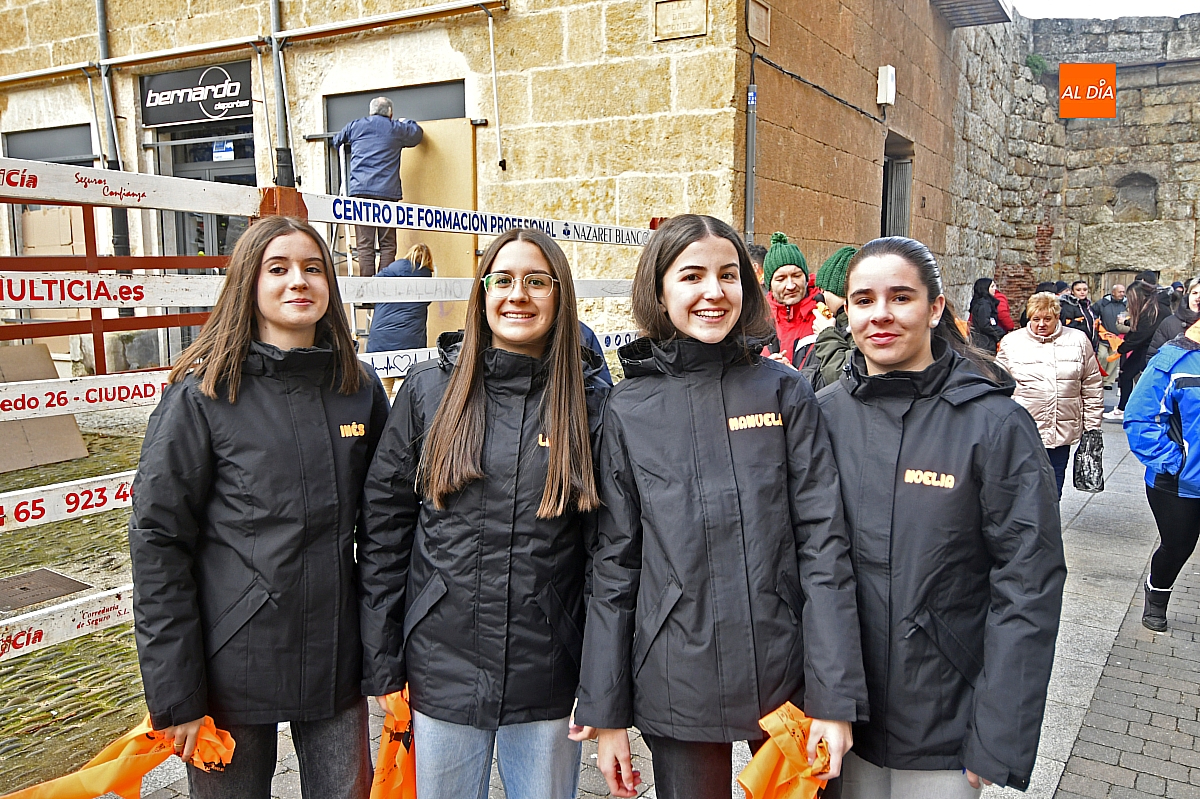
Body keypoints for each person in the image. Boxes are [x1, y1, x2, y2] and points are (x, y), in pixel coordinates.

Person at [575, 214, 867, 799]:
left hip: (787, 669)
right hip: (677, 674)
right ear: (659, 290)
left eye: (728, 275)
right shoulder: (628, 408)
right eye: (692, 276)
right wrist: (605, 714)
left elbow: (824, 545)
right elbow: (614, 563)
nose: (714, 291)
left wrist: (835, 698)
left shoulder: (783, 390)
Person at [129, 216, 391, 799]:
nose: (298, 281)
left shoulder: (358, 388)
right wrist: (178, 694)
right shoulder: (202, 395)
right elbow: (159, 544)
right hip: (231, 662)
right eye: (279, 268)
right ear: (249, 282)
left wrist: (383, 657)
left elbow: (385, 530)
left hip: (336, 658)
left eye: (313, 268)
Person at [358, 228, 608, 799]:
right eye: (503, 280)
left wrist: (600, 681)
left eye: (537, 281)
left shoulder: (589, 403)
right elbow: (385, 529)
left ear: (560, 296)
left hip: (548, 668)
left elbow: (607, 552)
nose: (518, 294)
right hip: (441, 663)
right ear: (482, 292)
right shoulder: (428, 391)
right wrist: (383, 658)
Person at [818, 236, 1065, 799]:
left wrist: (1000, 732)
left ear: (934, 308)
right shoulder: (822, 416)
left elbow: (1028, 584)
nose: (881, 314)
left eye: (901, 297)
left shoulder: (995, 426)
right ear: (846, 312)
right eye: (864, 300)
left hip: (945, 719)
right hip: (841, 714)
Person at [1125, 318, 1200, 632]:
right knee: (1178, 546)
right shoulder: (1174, 361)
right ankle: (1157, 594)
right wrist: (1174, 463)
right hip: (1179, 483)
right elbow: (1140, 418)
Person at [997, 292, 1103, 498]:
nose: (1041, 324)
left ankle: (1049, 518)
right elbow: (998, 385)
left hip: (1060, 430)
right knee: (1022, 488)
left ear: (1057, 317)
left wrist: (1092, 427)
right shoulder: (1012, 343)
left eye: (1047, 319)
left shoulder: (1078, 341)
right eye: (1036, 319)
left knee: (1053, 489)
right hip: (1023, 431)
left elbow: (1091, 386)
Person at [333, 97, 424, 277]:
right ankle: (384, 286)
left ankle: (367, 289)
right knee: (388, 244)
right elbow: (417, 135)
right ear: (390, 113)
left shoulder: (356, 126)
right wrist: (407, 122)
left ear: (370, 111)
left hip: (360, 192)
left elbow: (337, 141)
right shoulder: (396, 128)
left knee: (364, 245)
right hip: (387, 194)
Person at [366, 243, 434, 394]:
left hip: (381, 336)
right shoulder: (427, 277)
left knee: (383, 384)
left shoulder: (393, 268)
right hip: (410, 339)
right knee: (407, 387)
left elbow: (372, 285)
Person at [1108, 280, 1171, 421]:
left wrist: (1121, 349)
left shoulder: (1154, 309)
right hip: (1148, 346)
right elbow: (1140, 328)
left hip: (1153, 347)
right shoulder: (1153, 307)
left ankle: (1127, 409)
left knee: (1135, 376)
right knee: (1127, 374)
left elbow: (1141, 333)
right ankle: (1124, 408)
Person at [762, 231, 819, 363]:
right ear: (769, 285)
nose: (790, 286)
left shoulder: (823, 313)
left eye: (796, 276)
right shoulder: (757, 319)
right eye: (780, 279)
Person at [808, 245, 857, 388]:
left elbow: (842, 377)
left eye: (824, 290)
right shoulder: (840, 323)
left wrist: (827, 334)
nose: (821, 295)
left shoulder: (857, 328)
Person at [1148, 278, 1200, 360]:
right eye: (1194, 293)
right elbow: (1153, 356)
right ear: (1188, 295)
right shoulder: (1169, 323)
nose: (1197, 298)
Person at [1095, 283, 1128, 398]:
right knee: (1102, 356)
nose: (1122, 294)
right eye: (1120, 292)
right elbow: (1093, 314)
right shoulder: (1102, 303)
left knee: (1114, 360)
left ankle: (1108, 382)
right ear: (1113, 292)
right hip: (1104, 336)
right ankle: (1098, 379)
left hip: (1118, 338)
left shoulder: (1127, 304)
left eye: (1123, 292)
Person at [968, 277, 1004, 354]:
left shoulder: (984, 302)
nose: (995, 289)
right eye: (992, 286)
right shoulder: (984, 304)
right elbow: (984, 324)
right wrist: (1000, 332)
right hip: (985, 343)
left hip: (983, 341)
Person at [1061, 280, 1097, 346]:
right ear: (1072, 291)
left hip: (1090, 343)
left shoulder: (1088, 306)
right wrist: (1076, 322)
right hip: (1074, 343)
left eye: (1085, 290)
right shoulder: (1067, 306)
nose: (1082, 292)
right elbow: (1065, 327)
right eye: (1078, 290)